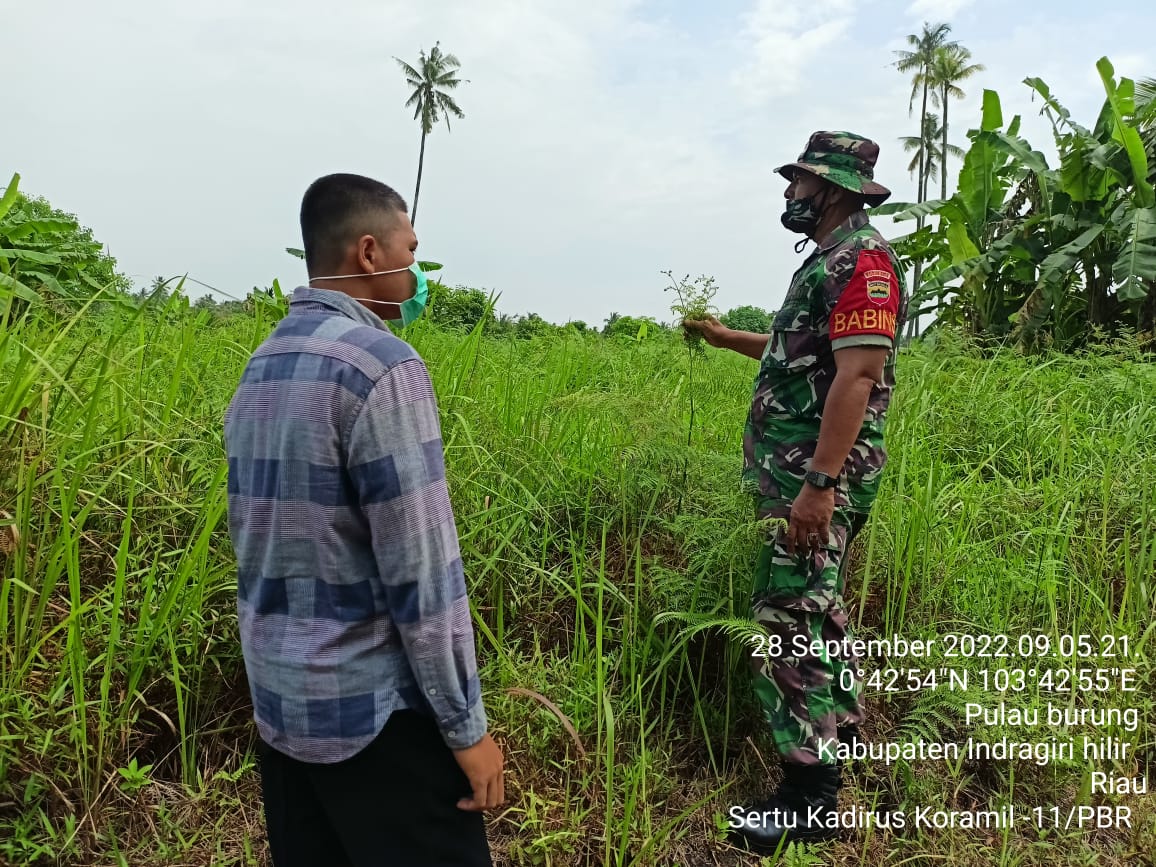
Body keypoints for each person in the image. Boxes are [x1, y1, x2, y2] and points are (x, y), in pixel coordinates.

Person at [223, 173, 503, 866]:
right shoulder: (383, 366)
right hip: (375, 721)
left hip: (284, 711)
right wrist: (467, 729)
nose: (419, 268)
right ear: (372, 252)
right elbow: (424, 575)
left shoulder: (262, 365)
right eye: (413, 247)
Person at [684, 132, 905, 850]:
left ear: (833, 190)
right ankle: (841, 743)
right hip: (797, 477)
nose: (789, 194)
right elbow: (800, 349)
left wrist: (818, 485)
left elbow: (858, 374)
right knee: (817, 607)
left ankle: (809, 797)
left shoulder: (864, 261)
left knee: (787, 620)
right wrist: (723, 337)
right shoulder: (829, 262)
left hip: (812, 481)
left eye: (799, 184)